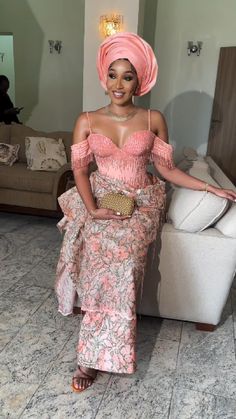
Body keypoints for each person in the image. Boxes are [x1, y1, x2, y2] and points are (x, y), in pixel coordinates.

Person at [55, 32, 236, 393]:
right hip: (102, 198)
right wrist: (92, 209)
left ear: (140, 80)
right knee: (96, 263)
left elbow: (166, 169)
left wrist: (210, 187)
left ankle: (112, 352)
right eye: (112, 74)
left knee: (124, 266)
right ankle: (88, 359)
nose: (118, 84)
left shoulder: (153, 118)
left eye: (128, 75)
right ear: (103, 78)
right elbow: (78, 170)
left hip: (140, 202)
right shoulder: (86, 120)